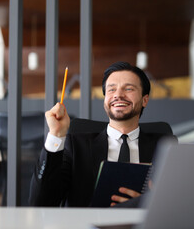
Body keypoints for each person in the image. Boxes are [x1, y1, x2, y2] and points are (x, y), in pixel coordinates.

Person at [29, 61, 176, 207]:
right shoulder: (76, 146)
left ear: (145, 100)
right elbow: (41, 202)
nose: (118, 95)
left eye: (129, 89)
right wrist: (56, 135)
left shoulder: (165, 147)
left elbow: (180, 203)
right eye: (111, 90)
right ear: (105, 100)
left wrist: (154, 203)